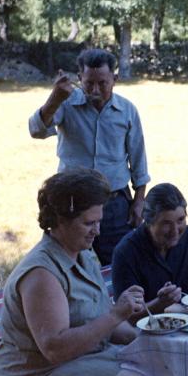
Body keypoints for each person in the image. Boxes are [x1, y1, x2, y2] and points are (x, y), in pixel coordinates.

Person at [0, 169, 153, 376]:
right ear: (60, 221)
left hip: (83, 360)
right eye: (89, 223)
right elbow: (55, 349)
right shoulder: (41, 273)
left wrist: (144, 342)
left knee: (159, 368)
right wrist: (115, 315)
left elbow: (101, 319)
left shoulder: (83, 254)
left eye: (99, 222)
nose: (97, 231)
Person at [29, 48, 150, 265]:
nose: (95, 90)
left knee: (119, 263)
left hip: (114, 204)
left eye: (102, 83)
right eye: (89, 84)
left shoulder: (127, 111)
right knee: (66, 264)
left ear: (114, 79)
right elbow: (36, 130)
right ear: (79, 79)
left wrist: (139, 201)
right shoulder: (65, 103)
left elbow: (138, 159)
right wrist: (55, 98)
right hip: (72, 203)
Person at [112, 183, 188, 322]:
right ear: (148, 222)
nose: (175, 231)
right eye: (166, 223)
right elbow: (124, 317)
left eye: (180, 220)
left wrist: (185, 310)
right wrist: (159, 304)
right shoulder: (126, 252)